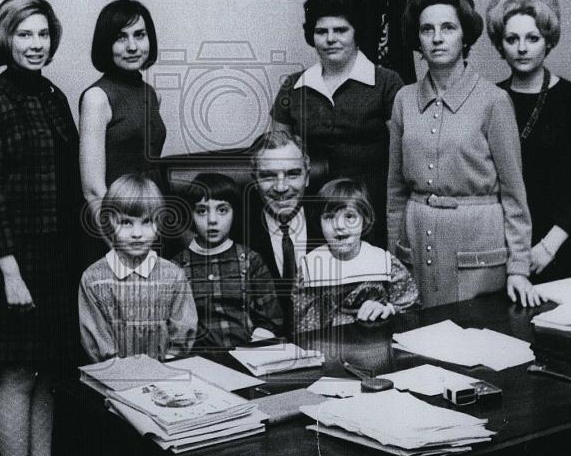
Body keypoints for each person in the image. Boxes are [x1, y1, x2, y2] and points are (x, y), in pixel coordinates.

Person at [0, 0, 81, 456]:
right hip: (13, 262)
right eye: (24, 34)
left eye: (42, 33)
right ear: (4, 38)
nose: (35, 44)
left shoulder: (53, 96)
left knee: (46, 375)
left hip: (57, 256)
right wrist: (10, 273)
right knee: (16, 376)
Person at [387, 0, 540, 308]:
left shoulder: (494, 101)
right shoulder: (403, 100)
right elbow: (395, 194)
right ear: (417, 38)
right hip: (416, 244)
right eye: (427, 29)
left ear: (465, 35)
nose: (437, 38)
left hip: (478, 249)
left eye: (448, 28)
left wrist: (518, 268)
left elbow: (514, 195)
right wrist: (392, 262)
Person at [485, 0, 571, 283]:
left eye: (533, 38)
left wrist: (548, 246)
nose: (522, 48)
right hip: (508, 249)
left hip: (567, 245)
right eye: (512, 39)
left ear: (548, 42)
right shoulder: (488, 99)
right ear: (500, 45)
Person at [270, 0, 403, 249]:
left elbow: (404, 157)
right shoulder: (293, 86)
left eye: (341, 30)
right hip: (313, 214)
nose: (331, 39)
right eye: (321, 31)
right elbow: (275, 154)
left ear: (357, 32)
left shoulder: (386, 83)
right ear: (312, 36)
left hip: (372, 210)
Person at [79, 0, 167, 261]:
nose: (132, 46)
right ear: (106, 44)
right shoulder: (97, 97)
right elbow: (93, 190)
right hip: (114, 236)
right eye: (120, 37)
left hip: (150, 225)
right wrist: (123, 251)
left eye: (139, 35)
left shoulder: (152, 94)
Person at [78, 174, 198, 362]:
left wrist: (166, 365)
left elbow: (182, 331)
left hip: (166, 375)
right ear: (109, 221)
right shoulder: (94, 279)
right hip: (113, 378)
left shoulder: (173, 275)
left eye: (147, 222)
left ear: (159, 224)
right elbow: (97, 340)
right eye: (126, 222)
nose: (137, 233)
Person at [172, 173, 283, 350]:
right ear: (190, 215)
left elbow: (272, 318)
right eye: (202, 211)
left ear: (234, 212)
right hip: (200, 360)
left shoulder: (250, 260)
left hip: (248, 354)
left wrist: (259, 341)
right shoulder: (176, 268)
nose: (212, 220)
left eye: (222, 210)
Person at [293, 179, 419, 334]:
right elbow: (303, 326)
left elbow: (410, 305)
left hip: (376, 342)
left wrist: (388, 309)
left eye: (350, 216)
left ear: (364, 220)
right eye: (330, 217)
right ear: (319, 222)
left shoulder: (383, 262)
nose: (339, 225)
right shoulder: (311, 267)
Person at [244, 129, 325, 335]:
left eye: (292, 174)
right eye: (269, 176)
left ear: (307, 177)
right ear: (254, 180)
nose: (281, 187)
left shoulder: (333, 224)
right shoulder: (237, 232)